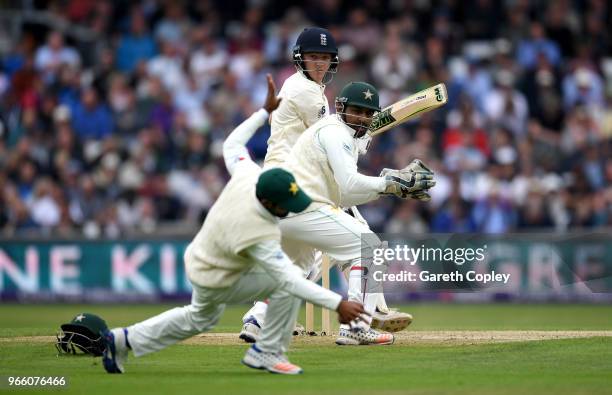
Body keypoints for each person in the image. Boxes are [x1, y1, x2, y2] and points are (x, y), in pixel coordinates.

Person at [101, 75, 367, 375]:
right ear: (272, 204)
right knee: (290, 280)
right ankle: (266, 352)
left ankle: (121, 340)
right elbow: (290, 282)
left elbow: (232, 144)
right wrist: (338, 304)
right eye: (285, 207)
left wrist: (263, 113)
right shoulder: (260, 231)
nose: (287, 212)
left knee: (198, 319)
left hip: (199, 260)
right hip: (221, 276)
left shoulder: (246, 174)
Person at [240, 28, 414, 343]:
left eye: (324, 58)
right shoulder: (304, 91)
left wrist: (361, 132)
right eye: (313, 57)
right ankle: (362, 320)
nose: (319, 64)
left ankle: (258, 318)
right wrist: (364, 133)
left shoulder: (308, 89)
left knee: (301, 265)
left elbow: (340, 133)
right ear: (299, 59)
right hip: (296, 182)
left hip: (288, 183)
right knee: (365, 243)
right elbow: (334, 136)